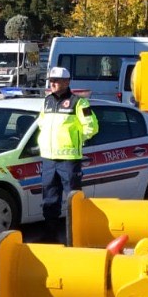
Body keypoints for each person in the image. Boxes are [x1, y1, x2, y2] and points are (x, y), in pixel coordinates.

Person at [36, 66, 99, 245]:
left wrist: (78, 140)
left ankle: (75, 238)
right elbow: (41, 124)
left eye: (56, 81)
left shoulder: (78, 102)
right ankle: (50, 236)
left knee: (73, 200)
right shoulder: (47, 101)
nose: (53, 83)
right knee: (49, 199)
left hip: (69, 159)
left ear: (67, 82)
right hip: (48, 157)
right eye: (51, 80)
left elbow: (91, 126)